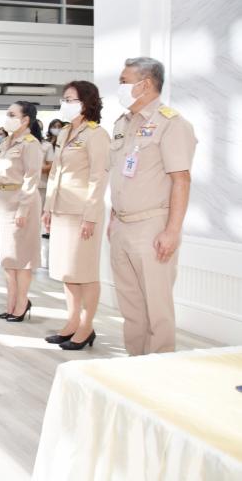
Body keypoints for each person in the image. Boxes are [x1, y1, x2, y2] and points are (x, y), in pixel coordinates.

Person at [109, 57, 196, 355]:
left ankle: (159, 371)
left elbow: (181, 180)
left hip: (152, 226)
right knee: (131, 308)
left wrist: (172, 231)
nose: (120, 86)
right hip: (122, 225)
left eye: (124, 81)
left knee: (157, 310)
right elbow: (120, 175)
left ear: (145, 84)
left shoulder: (172, 124)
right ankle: (135, 364)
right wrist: (113, 217)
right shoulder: (122, 123)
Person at [43, 81, 110, 350]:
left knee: (85, 271)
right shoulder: (65, 132)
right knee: (67, 271)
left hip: (83, 212)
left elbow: (98, 177)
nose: (65, 104)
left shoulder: (96, 135)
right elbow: (55, 173)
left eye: (70, 99)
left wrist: (91, 216)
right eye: (64, 99)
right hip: (62, 210)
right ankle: (72, 322)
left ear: (85, 102)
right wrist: (48, 207)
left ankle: (86, 326)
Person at [0, 101, 43, 323]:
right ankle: (11, 302)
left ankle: (21, 303)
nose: (7, 117)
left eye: (12, 114)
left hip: (22, 202)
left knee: (22, 257)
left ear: (25, 120)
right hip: (4, 202)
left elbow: (32, 179)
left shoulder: (30, 144)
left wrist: (23, 209)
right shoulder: (6, 142)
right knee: (8, 257)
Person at [40, 119, 63, 207]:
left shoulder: (64, 141)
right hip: (47, 176)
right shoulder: (46, 143)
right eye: (54, 127)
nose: (56, 129)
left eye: (59, 127)